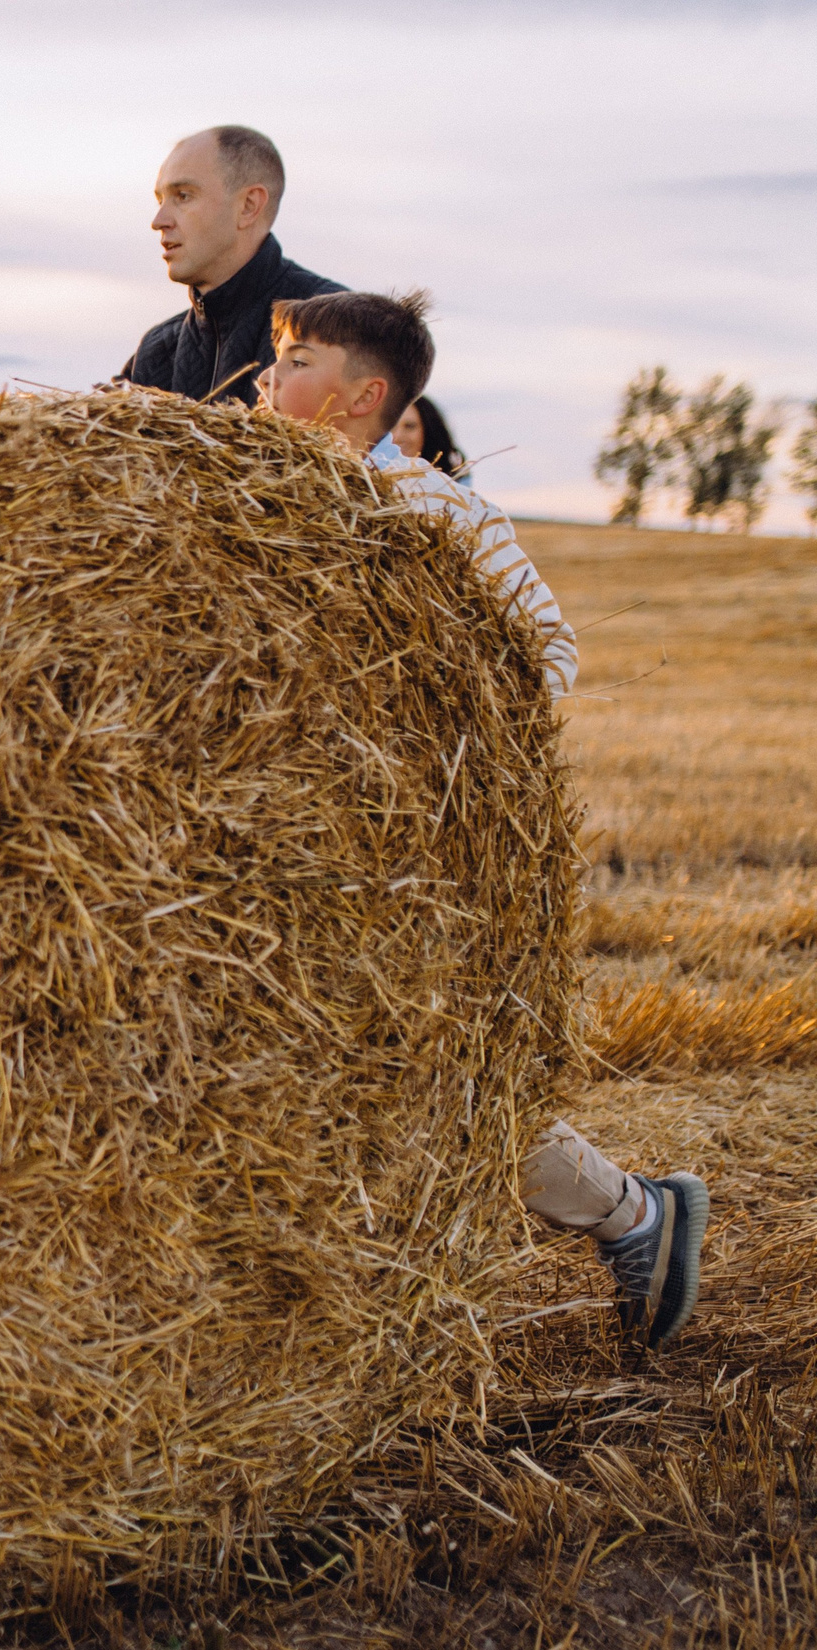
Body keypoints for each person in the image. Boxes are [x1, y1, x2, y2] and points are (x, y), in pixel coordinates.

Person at [255, 289, 708, 1348]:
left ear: (363, 395)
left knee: (418, 1072)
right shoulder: (259, 497)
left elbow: (548, 648)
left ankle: (634, 1213)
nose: (269, 377)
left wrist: (442, 753)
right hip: (293, 836)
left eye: (298, 361)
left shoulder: (435, 510)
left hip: (406, 845)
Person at [120, 126, 344, 406]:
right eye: (160, 200)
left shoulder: (336, 326)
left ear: (249, 206)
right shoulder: (156, 351)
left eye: (183, 196)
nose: (159, 221)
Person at [392, 393, 471, 483]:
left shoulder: (454, 487)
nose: (397, 436)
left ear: (429, 430)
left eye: (409, 426)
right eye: (390, 427)